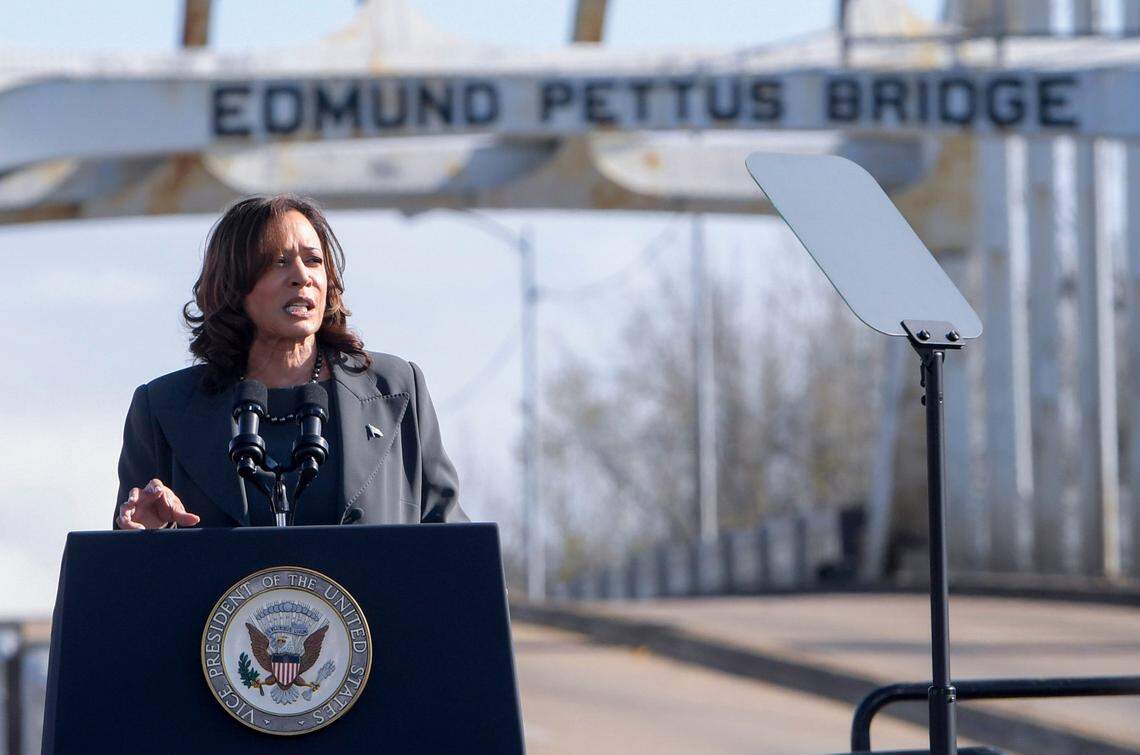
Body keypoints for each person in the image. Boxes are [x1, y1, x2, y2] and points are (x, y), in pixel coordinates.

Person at [114, 195, 465, 529]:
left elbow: (453, 544)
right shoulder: (162, 408)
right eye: (278, 262)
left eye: (313, 260)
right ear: (233, 284)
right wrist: (149, 533)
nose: (302, 276)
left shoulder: (397, 389)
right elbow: (125, 572)